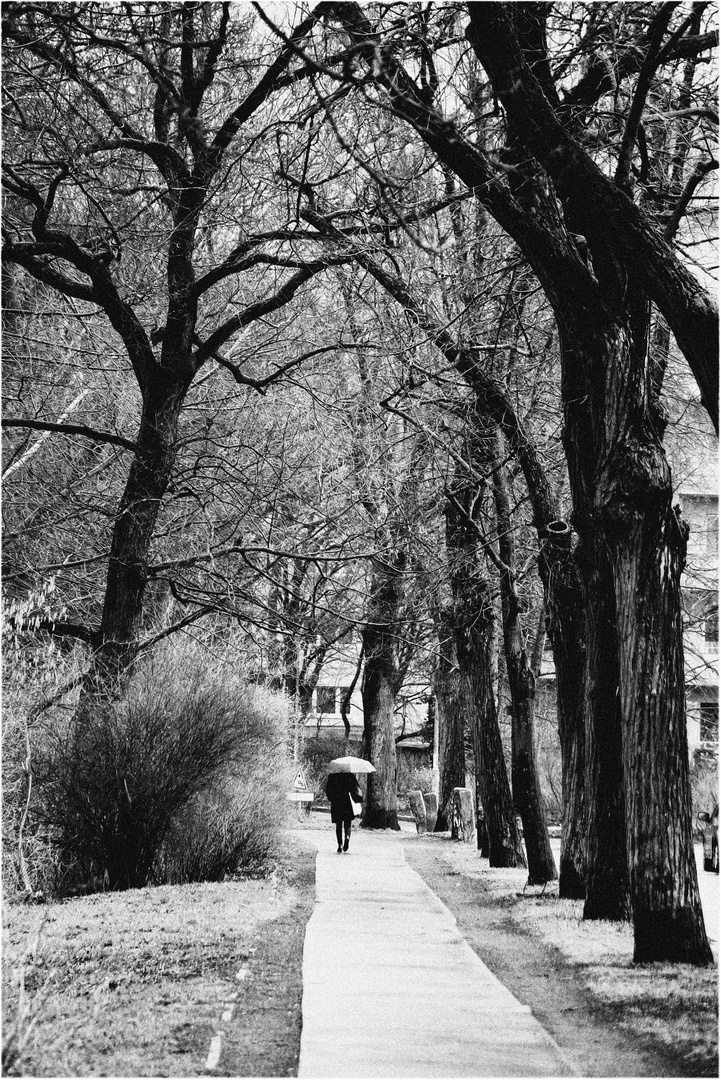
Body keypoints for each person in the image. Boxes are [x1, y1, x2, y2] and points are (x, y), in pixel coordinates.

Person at [325, 771, 363, 852]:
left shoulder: (332, 776)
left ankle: (340, 844)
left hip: (336, 803)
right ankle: (347, 838)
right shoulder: (349, 776)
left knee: (338, 825)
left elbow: (328, 790)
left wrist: (332, 798)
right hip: (347, 802)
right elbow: (356, 788)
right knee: (347, 823)